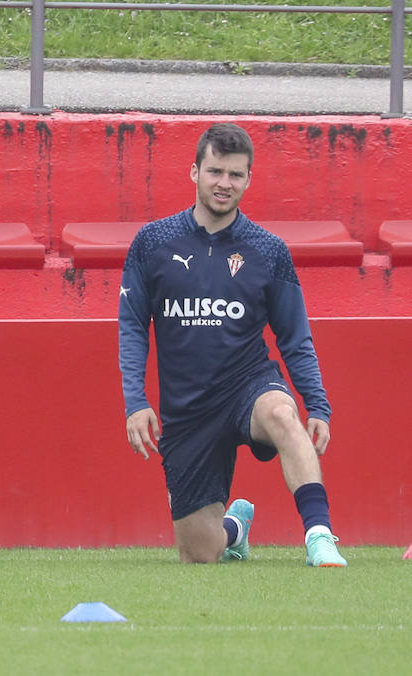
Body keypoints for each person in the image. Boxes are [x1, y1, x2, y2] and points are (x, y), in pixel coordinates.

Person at [119, 122, 346, 566]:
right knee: (199, 554)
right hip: (186, 410)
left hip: (248, 385)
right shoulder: (152, 243)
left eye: (235, 175)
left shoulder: (269, 249)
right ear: (195, 172)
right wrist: (134, 401)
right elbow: (131, 327)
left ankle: (320, 535)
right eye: (215, 171)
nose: (225, 183)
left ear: (248, 180)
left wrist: (317, 405)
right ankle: (234, 528)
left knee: (282, 413)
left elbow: (294, 336)